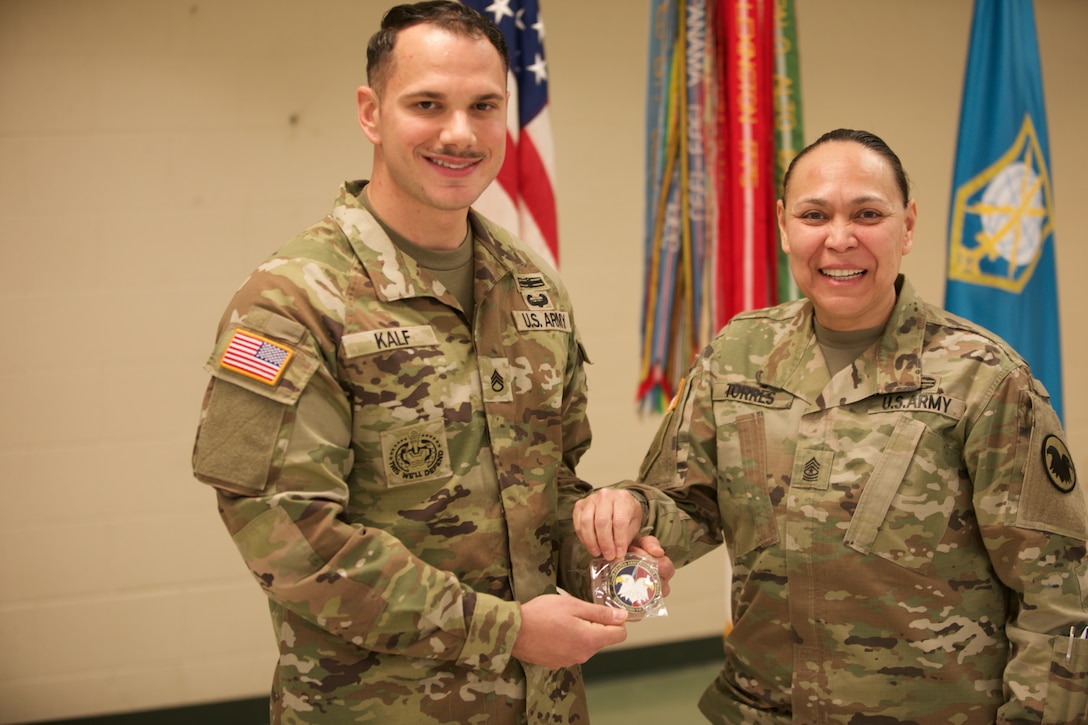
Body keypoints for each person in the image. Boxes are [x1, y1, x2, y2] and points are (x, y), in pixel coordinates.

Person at [190, 3, 651, 722]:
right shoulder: (293, 299)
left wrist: (612, 555)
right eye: (427, 104)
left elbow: (548, 486)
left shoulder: (531, 284)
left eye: (484, 106)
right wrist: (507, 630)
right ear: (371, 112)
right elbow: (287, 534)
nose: (459, 133)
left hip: (544, 707)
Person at [574, 129, 1087, 723]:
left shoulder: (985, 379)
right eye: (815, 214)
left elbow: (1057, 593)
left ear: (908, 225)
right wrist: (634, 512)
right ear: (785, 225)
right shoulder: (738, 353)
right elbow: (689, 504)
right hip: (761, 709)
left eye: (867, 214)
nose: (839, 239)